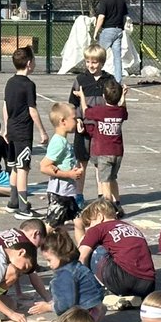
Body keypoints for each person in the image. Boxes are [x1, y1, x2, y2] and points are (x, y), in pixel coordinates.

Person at [78, 199, 156, 310]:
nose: (88, 227)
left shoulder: (98, 228)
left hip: (122, 280)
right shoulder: (131, 227)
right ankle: (133, 297)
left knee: (95, 250)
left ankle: (98, 292)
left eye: (90, 222)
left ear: (100, 216)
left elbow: (82, 256)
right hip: (147, 285)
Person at [2, 46, 48, 218]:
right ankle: (23, 207)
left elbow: (5, 105)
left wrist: (6, 127)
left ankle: (13, 202)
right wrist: (43, 132)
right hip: (23, 132)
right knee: (23, 168)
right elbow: (32, 110)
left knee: (14, 167)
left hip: (12, 130)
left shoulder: (10, 82)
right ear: (29, 63)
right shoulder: (29, 85)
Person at [68, 44, 112, 209]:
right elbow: (72, 104)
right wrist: (77, 119)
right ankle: (78, 195)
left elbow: (113, 103)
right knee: (81, 162)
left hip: (101, 130)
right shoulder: (80, 80)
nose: (91, 65)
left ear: (101, 62)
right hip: (84, 128)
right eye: (88, 61)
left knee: (100, 163)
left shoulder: (109, 80)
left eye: (94, 62)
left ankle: (101, 196)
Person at [30, 228, 103, 322]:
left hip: (85, 315)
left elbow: (66, 303)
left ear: (61, 255)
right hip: (94, 305)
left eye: (49, 260)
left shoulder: (65, 275)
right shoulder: (76, 265)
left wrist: (48, 307)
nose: (48, 264)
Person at [84, 76, 129, 215]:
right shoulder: (120, 112)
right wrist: (123, 97)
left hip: (104, 152)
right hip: (117, 152)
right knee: (112, 178)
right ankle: (118, 205)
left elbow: (86, 111)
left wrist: (81, 96)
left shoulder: (100, 111)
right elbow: (124, 110)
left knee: (105, 183)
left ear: (104, 96)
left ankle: (108, 211)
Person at [40, 102, 84, 229]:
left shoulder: (63, 141)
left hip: (68, 192)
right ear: (63, 121)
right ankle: (34, 244)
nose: (76, 121)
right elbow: (44, 166)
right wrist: (69, 174)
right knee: (51, 225)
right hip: (60, 193)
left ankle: (82, 248)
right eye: (74, 118)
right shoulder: (58, 142)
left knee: (79, 222)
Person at [92, 0, 130, 82]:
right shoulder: (121, 0)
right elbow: (125, 17)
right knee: (117, 58)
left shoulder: (105, 0)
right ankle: (118, 81)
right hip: (119, 30)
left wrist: (96, 31)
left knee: (97, 55)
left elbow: (101, 17)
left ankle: (94, 77)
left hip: (108, 30)